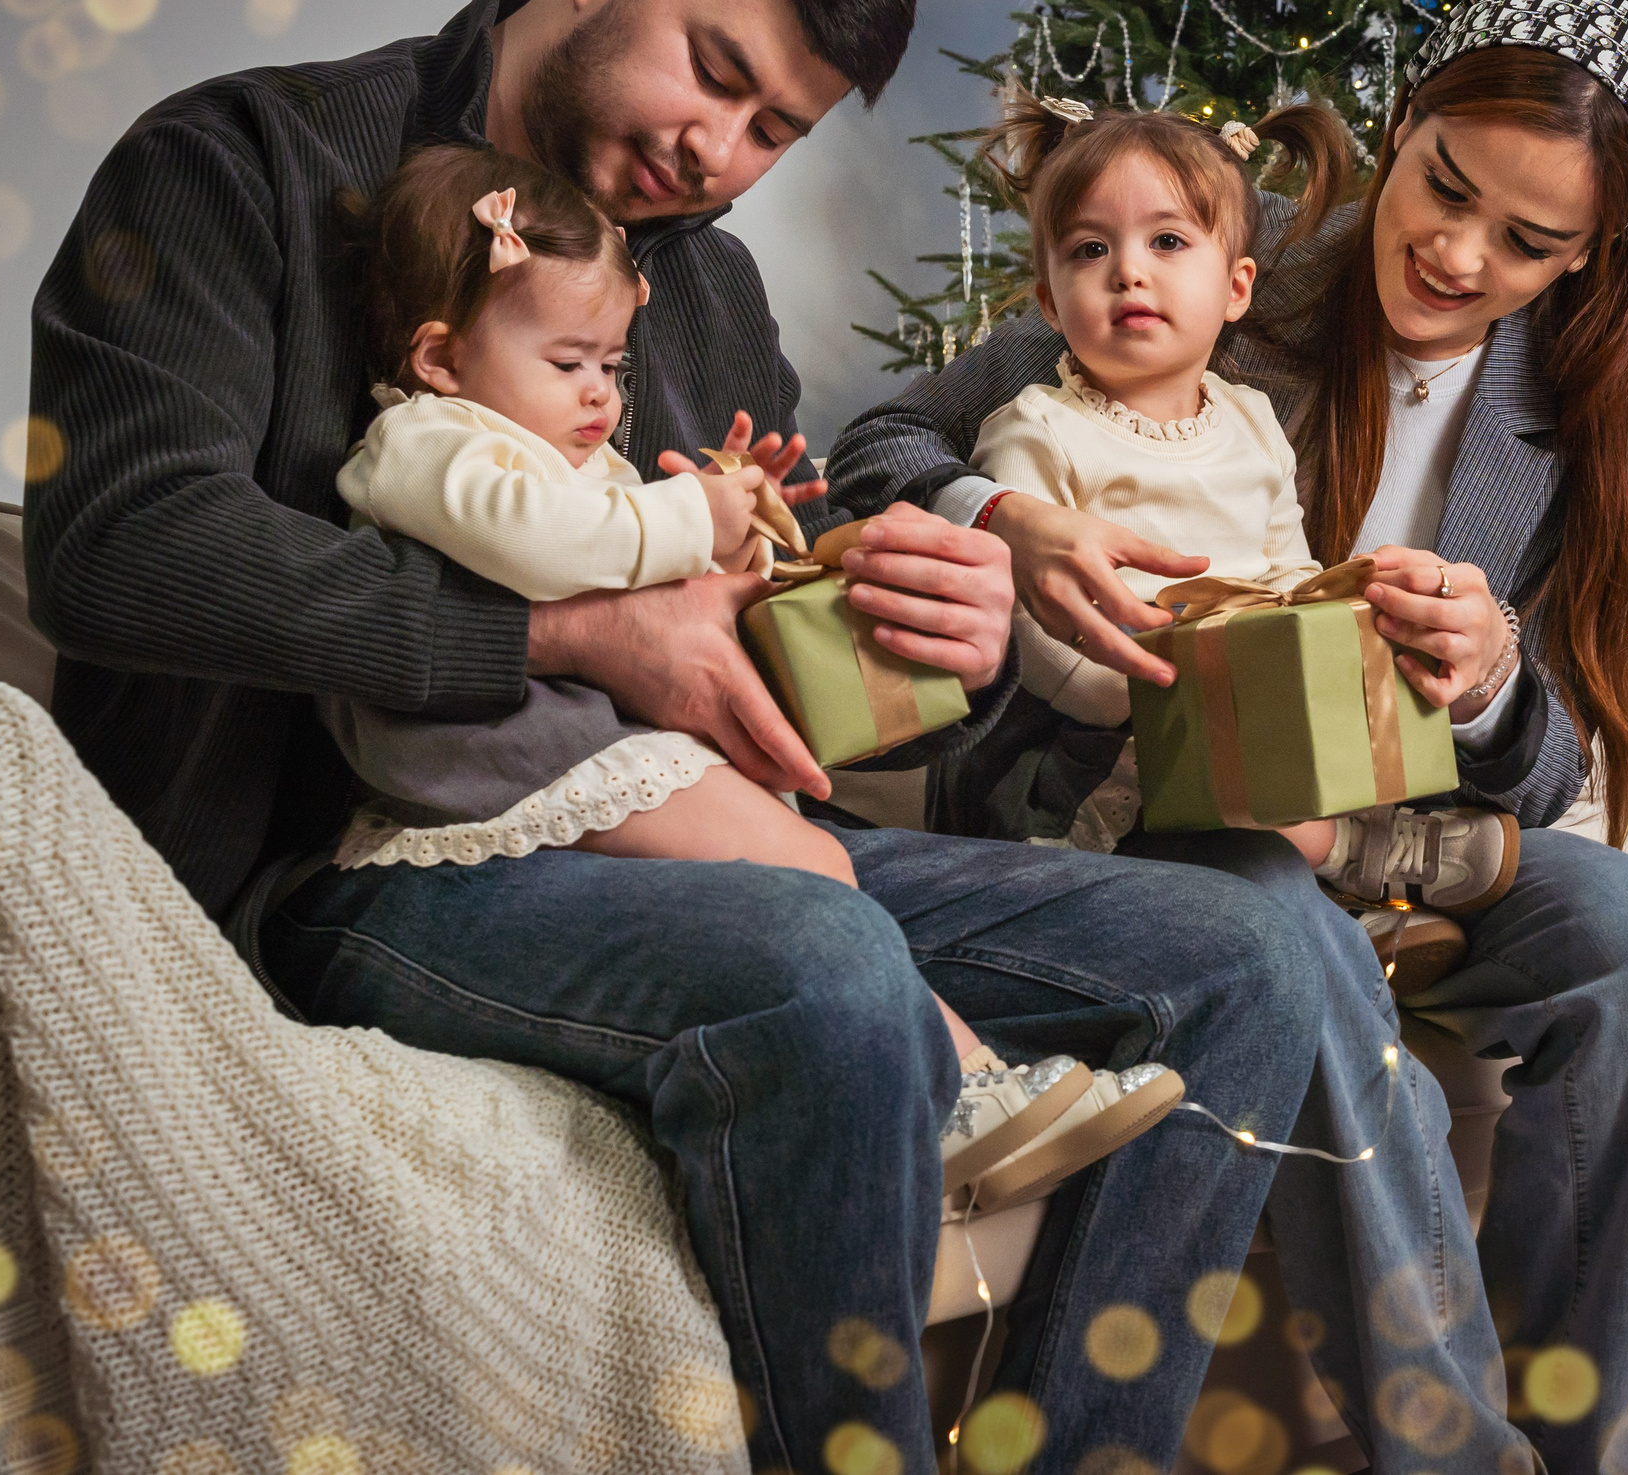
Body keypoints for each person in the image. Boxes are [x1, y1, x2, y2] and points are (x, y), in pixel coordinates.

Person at [25, 0, 1328, 1475]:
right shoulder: (240, 165)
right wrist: (569, 625)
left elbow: (765, 681)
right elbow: (120, 545)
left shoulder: (700, 298)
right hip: (355, 865)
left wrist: (930, 630)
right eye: (710, 74)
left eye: (771, 129)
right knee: (827, 962)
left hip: (682, 833)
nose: (713, 150)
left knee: (1255, 955)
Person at [829, 0, 1628, 1475]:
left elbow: (1564, 748)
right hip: (1153, 814)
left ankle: (1582, 1442)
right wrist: (1005, 517)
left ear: (1591, 260)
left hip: (1405, 829)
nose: (1454, 251)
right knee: (1273, 909)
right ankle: (1445, 1449)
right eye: (1440, 186)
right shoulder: (1216, 273)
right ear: (1403, 125)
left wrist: (1497, 667)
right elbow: (880, 440)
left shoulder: (1573, 422)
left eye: (1528, 243)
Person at [321, 140, 1185, 1207]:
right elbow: (544, 543)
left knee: (812, 867)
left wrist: (739, 532)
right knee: (810, 879)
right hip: (496, 760)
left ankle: (982, 1091)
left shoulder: (540, 445)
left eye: (613, 367)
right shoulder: (427, 441)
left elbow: (637, 578)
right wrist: (685, 518)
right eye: (568, 364)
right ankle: (967, 1095)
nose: (599, 396)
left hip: (572, 745)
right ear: (442, 357)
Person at [943, 90, 1515, 988]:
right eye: (1091, 251)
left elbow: (1288, 563)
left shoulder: (1249, 418)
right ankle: (1352, 859)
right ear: (1051, 303)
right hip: (1111, 742)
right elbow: (1039, 635)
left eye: (1167, 243)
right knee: (1245, 785)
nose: (1130, 272)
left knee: (1302, 737)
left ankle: (1353, 900)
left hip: (1250, 712)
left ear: (1237, 286)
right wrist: (1182, 688)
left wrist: (1334, 616)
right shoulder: (1037, 431)